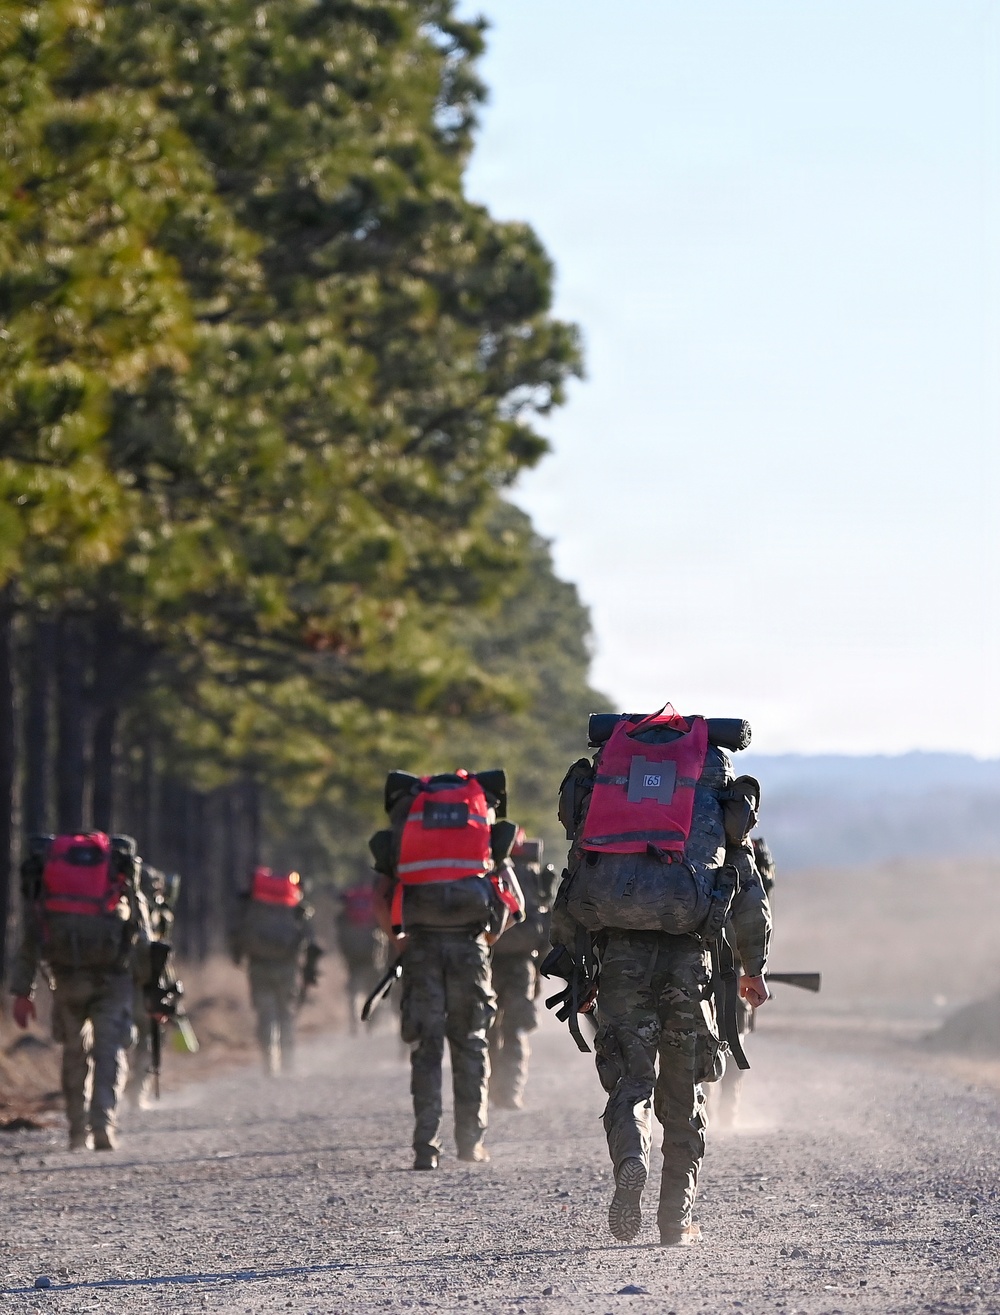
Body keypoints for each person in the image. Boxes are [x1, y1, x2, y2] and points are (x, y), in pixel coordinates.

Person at [548, 707, 772, 1246]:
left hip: (619, 960)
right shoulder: (713, 811)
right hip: (691, 963)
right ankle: (676, 1217)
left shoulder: (612, 811)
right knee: (685, 1088)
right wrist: (752, 969)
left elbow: (572, 889)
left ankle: (631, 1158)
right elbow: (749, 899)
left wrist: (576, 973)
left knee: (632, 1081)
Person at [370, 769, 524, 1171]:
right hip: (469, 947)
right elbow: (515, 906)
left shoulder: (408, 835)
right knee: (472, 1040)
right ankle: (470, 1143)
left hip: (419, 945)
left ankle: (426, 1146)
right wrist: (485, 941)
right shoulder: (486, 841)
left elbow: (381, 896)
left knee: (425, 1044)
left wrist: (399, 940)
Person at [10, 832, 152, 1151]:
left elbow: (31, 941)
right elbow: (142, 936)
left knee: (75, 1052)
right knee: (109, 1051)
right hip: (112, 979)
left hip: (66, 979)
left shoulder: (50, 889)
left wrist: (23, 991)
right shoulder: (121, 884)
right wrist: (147, 985)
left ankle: (77, 1131)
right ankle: (103, 1125)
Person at [711, 835, 777, 1129]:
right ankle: (725, 1108)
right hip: (729, 969)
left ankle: (717, 1108)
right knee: (732, 1037)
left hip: (710, 968)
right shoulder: (742, 862)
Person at [488, 834, 558, 1109]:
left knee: (486, 1028)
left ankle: (486, 1086)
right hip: (521, 963)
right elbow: (545, 924)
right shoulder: (532, 875)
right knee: (515, 1029)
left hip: (487, 960)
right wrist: (541, 968)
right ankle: (510, 1091)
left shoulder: (488, 870)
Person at [230, 866, 320, 1076]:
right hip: (287, 967)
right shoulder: (296, 905)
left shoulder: (253, 904)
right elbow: (311, 941)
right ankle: (288, 1063)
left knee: (265, 1014)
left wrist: (238, 956)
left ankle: (270, 1064)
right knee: (286, 1015)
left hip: (258, 966)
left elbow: (237, 932)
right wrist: (308, 971)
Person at [125, 864, 180, 1109]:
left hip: (119, 983)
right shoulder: (155, 911)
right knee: (147, 1038)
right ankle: (138, 1093)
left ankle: (114, 1092)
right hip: (147, 986)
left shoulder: (123, 906)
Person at [335, 879, 389, 1034]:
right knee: (376, 989)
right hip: (373, 957)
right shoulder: (375, 901)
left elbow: (340, 934)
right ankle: (371, 1024)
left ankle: (354, 1022)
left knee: (354, 990)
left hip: (354, 956)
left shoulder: (347, 908)